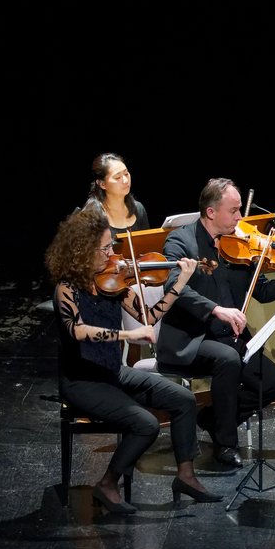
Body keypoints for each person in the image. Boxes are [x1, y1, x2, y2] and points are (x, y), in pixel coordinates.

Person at [45, 207, 221, 513]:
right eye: (104, 248)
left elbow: (148, 316)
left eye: (111, 246)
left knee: (183, 399)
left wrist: (180, 283)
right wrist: (127, 336)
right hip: (82, 381)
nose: (112, 254)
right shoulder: (67, 289)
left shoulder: (114, 283)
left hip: (112, 372)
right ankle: (107, 484)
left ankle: (186, 476)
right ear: (82, 250)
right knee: (145, 423)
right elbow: (77, 331)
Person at [156, 178, 275, 468]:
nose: (241, 218)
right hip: (191, 339)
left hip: (229, 336)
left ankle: (214, 419)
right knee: (227, 359)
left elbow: (263, 291)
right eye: (234, 211)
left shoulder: (239, 246)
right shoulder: (181, 241)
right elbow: (174, 287)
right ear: (212, 212)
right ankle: (226, 444)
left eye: (240, 210)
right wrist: (216, 310)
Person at [84, 152, 150, 237]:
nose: (125, 180)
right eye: (117, 177)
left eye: (126, 174)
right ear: (102, 184)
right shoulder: (91, 217)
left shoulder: (138, 208)